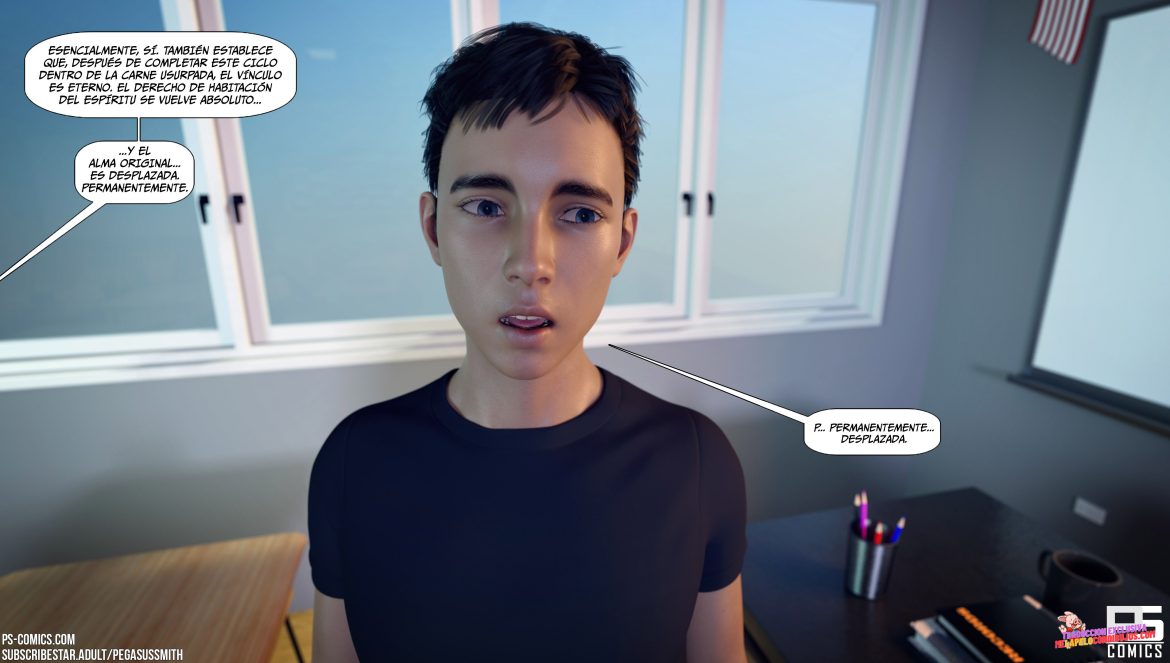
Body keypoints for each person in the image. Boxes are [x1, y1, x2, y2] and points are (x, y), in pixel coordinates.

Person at [308, 22, 747, 662]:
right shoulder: (354, 463)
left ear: (622, 243)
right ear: (433, 229)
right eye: (487, 207)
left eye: (580, 214)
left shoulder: (696, 461)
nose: (530, 264)